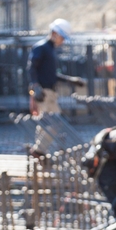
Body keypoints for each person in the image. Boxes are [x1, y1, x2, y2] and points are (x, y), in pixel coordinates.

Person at [27, 18, 84, 156]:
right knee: (53, 122)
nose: (62, 41)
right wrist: (35, 87)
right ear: (54, 33)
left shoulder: (51, 51)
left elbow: (51, 74)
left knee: (47, 123)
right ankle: (39, 150)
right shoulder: (41, 48)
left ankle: (39, 151)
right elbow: (31, 68)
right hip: (44, 93)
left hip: (50, 92)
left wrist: (70, 80)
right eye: (62, 38)